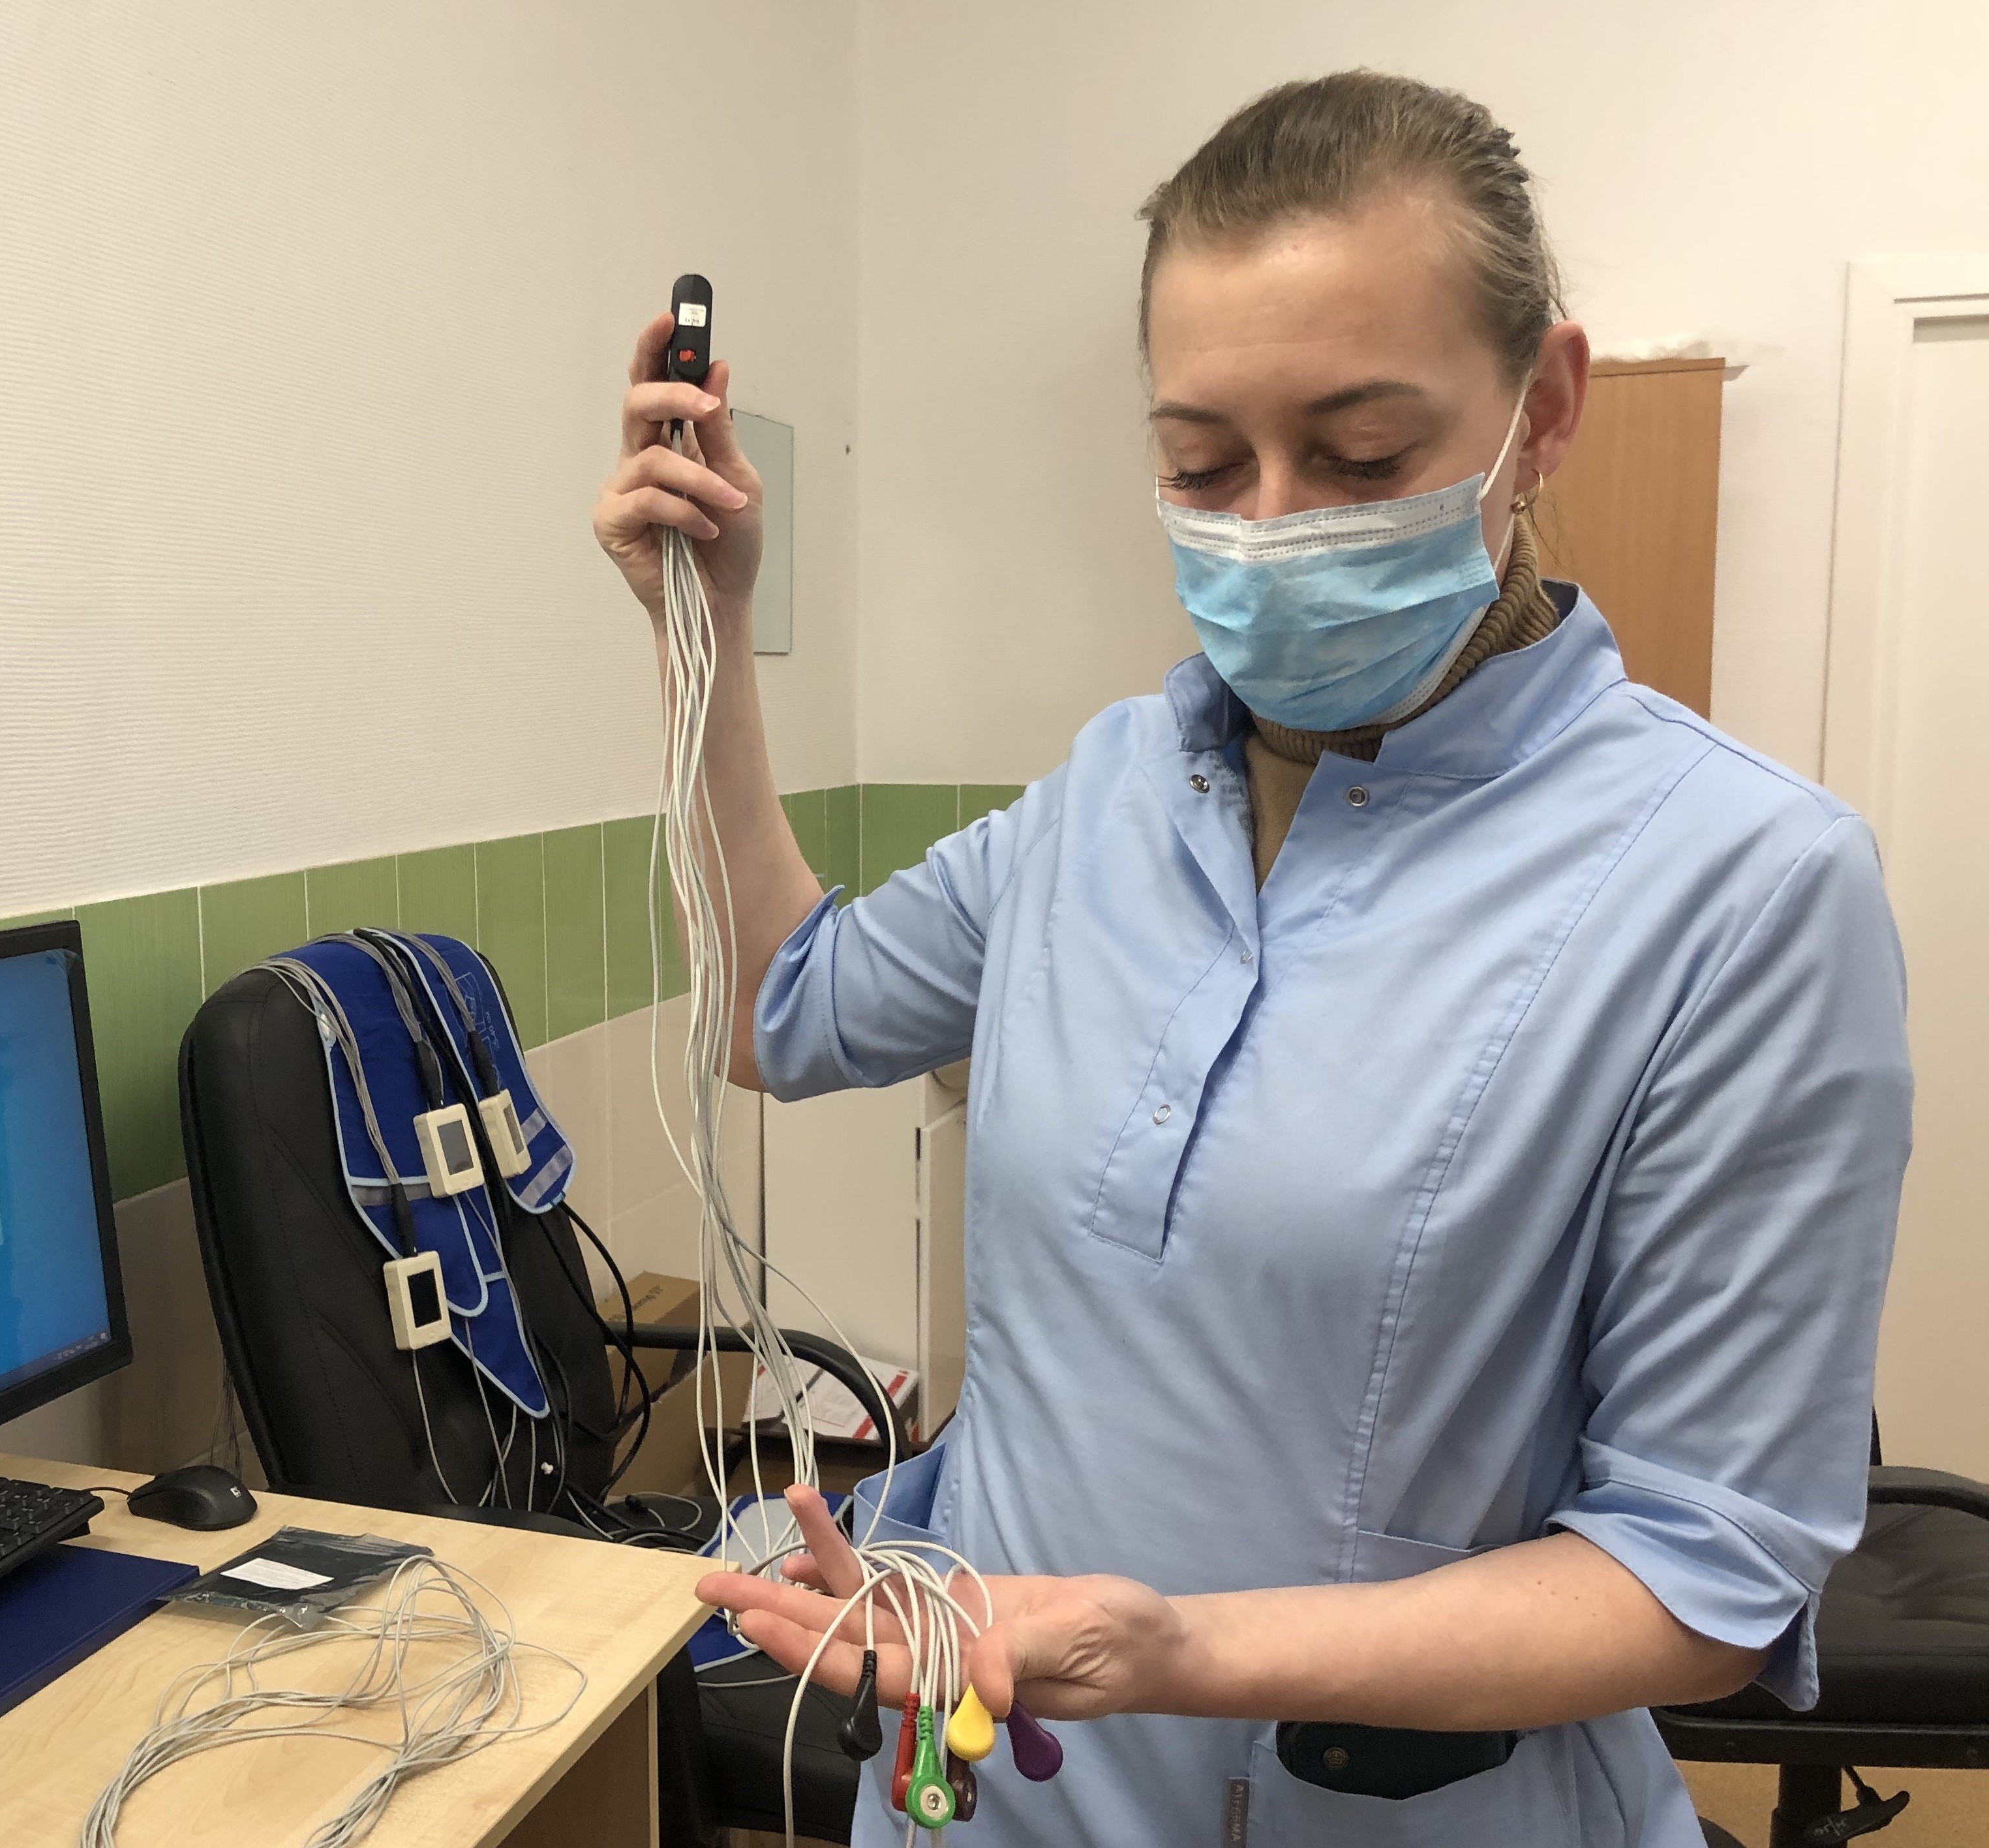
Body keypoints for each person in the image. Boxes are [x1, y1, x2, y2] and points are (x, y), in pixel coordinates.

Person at [591, 70, 1911, 1848]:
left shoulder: (1739, 887)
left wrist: (1173, 1651)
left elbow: (1704, 1571)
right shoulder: (1106, 795)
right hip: (986, 1793)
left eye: (1361, 458)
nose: (1272, 523)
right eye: (1203, 464)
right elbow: (782, 1012)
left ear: (1544, 411)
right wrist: (707, 624)